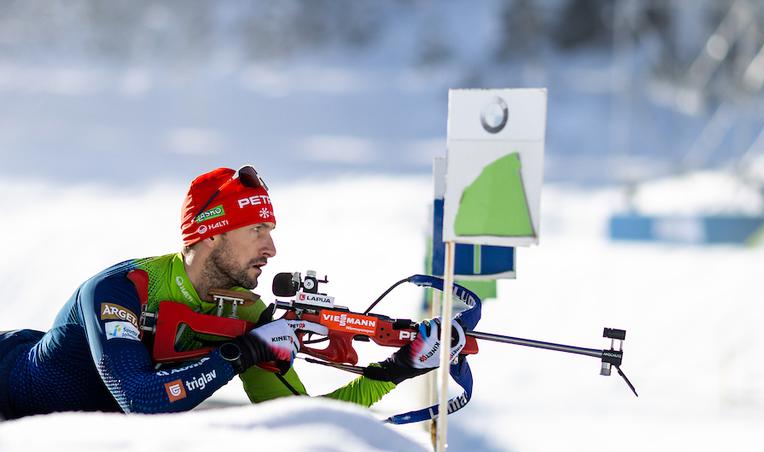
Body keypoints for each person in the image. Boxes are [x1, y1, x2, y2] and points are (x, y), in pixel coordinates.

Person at [0, 165, 464, 420]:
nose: (272, 246)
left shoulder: (249, 315)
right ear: (210, 235)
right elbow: (141, 400)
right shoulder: (122, 289)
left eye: (271, 229)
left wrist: (394, 370)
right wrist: (243, 353)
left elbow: (298, 420)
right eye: (257, 229)